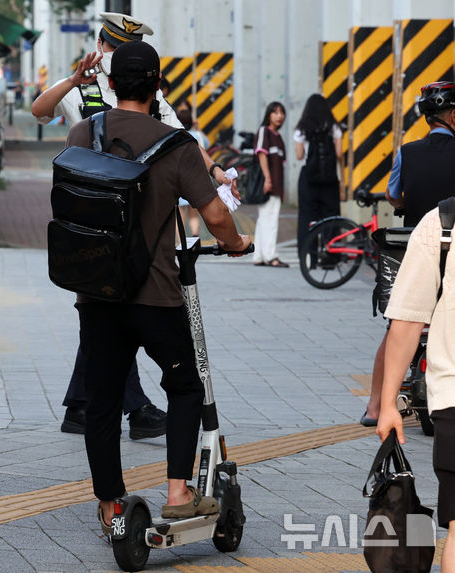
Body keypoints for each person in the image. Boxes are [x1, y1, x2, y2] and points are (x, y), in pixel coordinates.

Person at [64, 40, 250, 533]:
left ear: (110, 84)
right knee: (185, 385)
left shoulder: (84, 131)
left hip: (98, 293)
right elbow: (214, 216)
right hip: (156, 295)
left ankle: (110, 507)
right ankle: (177, 491)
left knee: (102, 399)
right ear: (157, 86)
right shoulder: (178, 144)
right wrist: (236, 243)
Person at [32, 12, 234, 438]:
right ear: (99, 46)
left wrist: (216, 172)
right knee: (112, 314)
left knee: (104, 318)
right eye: (108, 46)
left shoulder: (151, 99)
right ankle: (134, 408)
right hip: (95, 222)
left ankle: (84, 407)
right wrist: (73, 80)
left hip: (140, 220)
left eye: (118, 50)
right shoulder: (83, 92)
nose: (110, 56)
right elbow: (40, 110)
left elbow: (186, 144)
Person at [362, 81, 455, 426]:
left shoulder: (408, 151)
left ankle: (374, 405)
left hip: (416, 248)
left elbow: (392, 195)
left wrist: (408, 202)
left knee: (398, 326)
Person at [376, 209, 455, 572]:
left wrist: (388, 401)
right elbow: (408, 318)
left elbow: (407, 319)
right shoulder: (442, 225)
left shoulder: (443, 223)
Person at [293, 94, 343, 252]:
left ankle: (309, 256)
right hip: (329, 178)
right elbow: (340, 154)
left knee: (307, 217)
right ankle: (331, 254)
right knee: (331, 216)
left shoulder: (302, 129)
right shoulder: (333, 127)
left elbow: (299, 156)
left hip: (308, 178)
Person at [252, 101, 288, 267]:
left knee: (264, 219)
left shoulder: (279, 137)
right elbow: (261, 155)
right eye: (275, 112)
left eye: (282, 113)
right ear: (269, 115)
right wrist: (267, 179)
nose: (279, 116)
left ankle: (259, 256)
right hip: (268, 185)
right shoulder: (264, 132)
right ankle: (270, 256)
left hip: (276, 187)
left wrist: (282, 189)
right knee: (270, 220)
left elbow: (281, 166)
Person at [176, 107, 210, 236]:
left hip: (179, 179)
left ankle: (182, 242)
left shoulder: (176, 136)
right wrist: (197, 129)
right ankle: (195, 236)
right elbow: (207, 144)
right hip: (196, 179)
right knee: (193, 212)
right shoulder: (198, 136)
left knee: (180, 215)